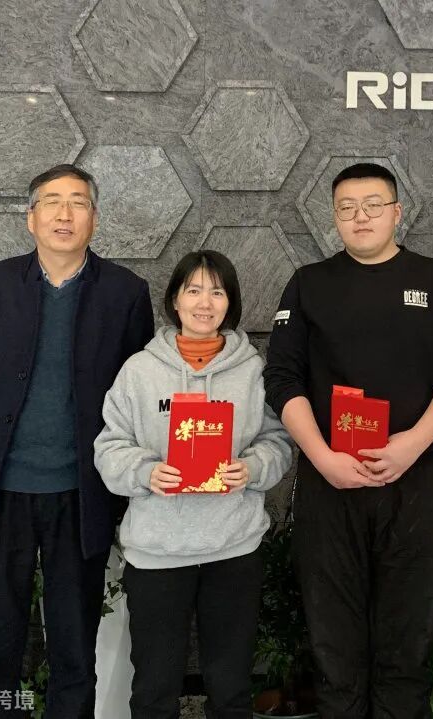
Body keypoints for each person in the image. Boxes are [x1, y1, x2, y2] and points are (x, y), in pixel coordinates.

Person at [263, 162, 433, 718]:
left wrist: (413, 444)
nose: (360, 217)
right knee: (334, 643)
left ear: (396, 212)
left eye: (373, 205)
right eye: (347, 208)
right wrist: (322, 457)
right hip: (329, 483)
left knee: (407, 640)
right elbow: (282, 378)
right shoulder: (309, 283)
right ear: (334, 217)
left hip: (415, 480)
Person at [0, 164, 154, 718]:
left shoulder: (125, 292)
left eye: (78, 202)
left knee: (74, 646)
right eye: (52, 202)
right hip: (2, 493)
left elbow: (135, 389)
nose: (65, 214)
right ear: (31, 217)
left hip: (80, 492)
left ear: (94, 218)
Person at [94, 250, 292, 719]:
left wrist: (253, 468)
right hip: (158, 552)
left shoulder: (254, 371)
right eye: (194, 290)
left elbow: (279, 440)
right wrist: (145, 472)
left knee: (231, 687)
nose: (206, 303)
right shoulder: (139, 371)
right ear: (175, 300)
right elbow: (108, 447)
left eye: (217, 292)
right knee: (154, 689)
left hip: (233, 549)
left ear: (231, 303)